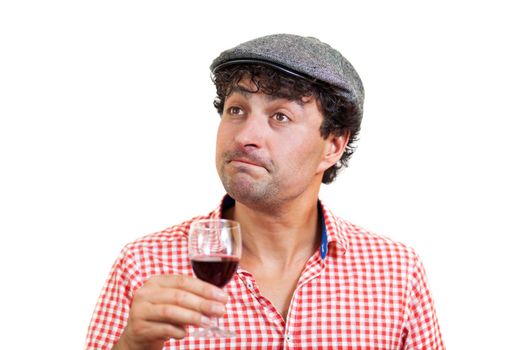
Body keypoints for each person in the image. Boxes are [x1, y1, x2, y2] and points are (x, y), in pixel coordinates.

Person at [86, 34, 444, 349]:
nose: (245, 136)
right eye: (236, 110)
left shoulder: (397, 272)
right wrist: (132, 346)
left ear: (332, 146)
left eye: (280, 117)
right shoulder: (143, 264)